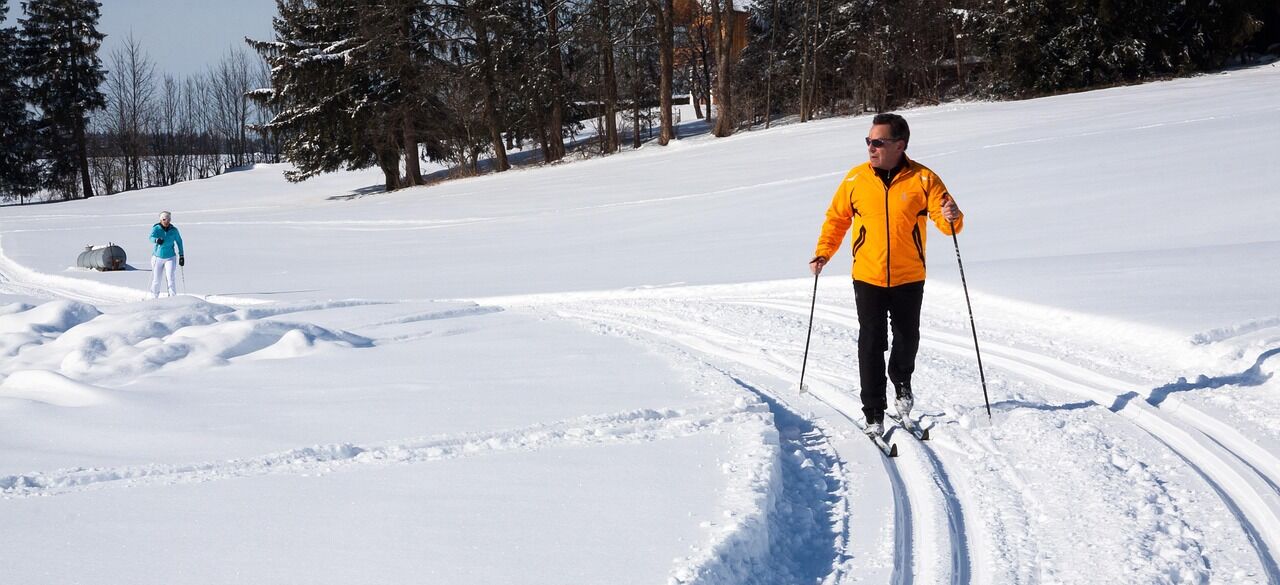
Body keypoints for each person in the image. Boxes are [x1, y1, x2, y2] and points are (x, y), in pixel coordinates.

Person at [809, 113, 963, 438]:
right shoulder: (855, 180)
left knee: (907, 341)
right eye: (868, 141)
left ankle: (902, 383)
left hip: (910, 276)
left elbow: (946, 218)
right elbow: (836, 220)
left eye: (878, 142)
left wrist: (952, 215)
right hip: (868, 276)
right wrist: (824, 252)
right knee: (871, 342)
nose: (871, 147)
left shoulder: (923, 179)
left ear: (899, 145)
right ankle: (873, 412)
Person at [149, 210, 185, 298]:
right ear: (161, 220)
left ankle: (172, 297)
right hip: (157, 257)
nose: (167, 221)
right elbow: (151, 237)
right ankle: (154, 297)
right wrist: (156, 240)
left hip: (170, 257)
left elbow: (179, 242)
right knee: (157, 279)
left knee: (170, 278)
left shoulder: (174, 230)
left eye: (168, 219)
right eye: (164, 219)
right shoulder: (156, 228)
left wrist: (181, 255)